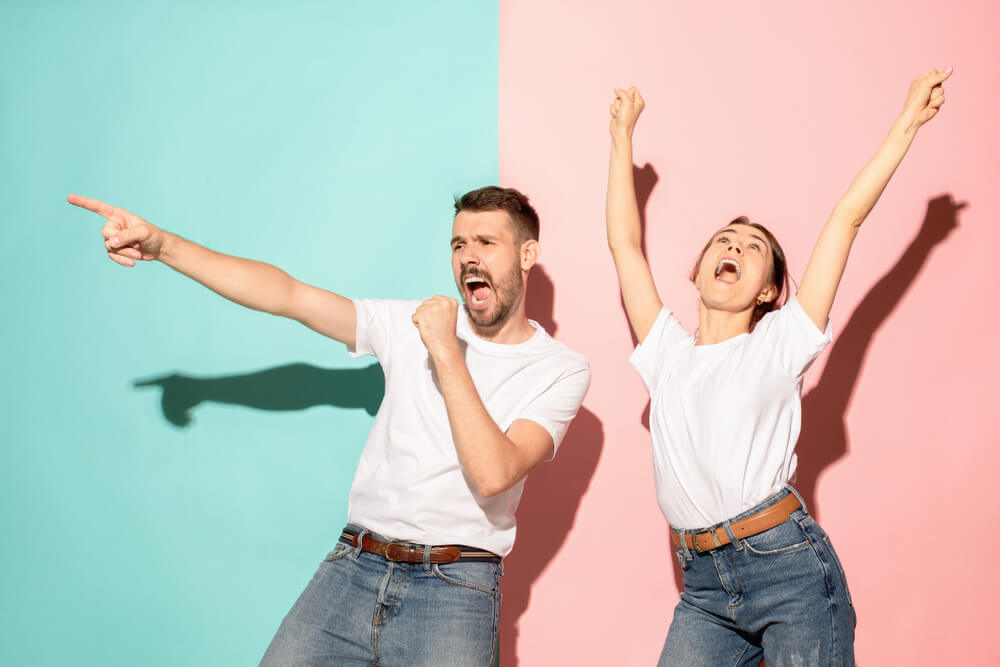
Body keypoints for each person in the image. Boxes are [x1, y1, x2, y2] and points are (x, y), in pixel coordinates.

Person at [68, 186, 590, 666]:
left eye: (486, 242)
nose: (467, 256)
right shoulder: (408, 323)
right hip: (354, 566)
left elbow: (492, 472)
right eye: (458, 243)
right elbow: (289, 295)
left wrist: (445, 351)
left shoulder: (558, 369)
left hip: (454, 588)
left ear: (526, 255)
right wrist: (164, 246)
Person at [605, 68, 950, 665]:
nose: (734, 247)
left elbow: (845, 219)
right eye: (724, 240)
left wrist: (907, 124)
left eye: (753, 247)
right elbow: (625, 246)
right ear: (699, 269)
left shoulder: (780, 342)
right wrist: (620, 141)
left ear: (768, 292)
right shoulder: (665, 353)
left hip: (787, 568)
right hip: (705, 587)